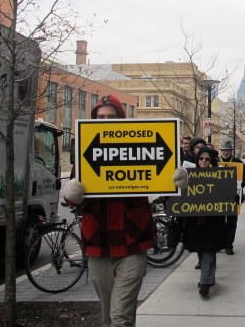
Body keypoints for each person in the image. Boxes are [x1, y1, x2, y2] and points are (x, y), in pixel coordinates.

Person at [63, 94, 155, 327]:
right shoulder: (85, 152)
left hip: (133, 241)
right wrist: (72, 195)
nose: (104, 120)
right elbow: (77, 199)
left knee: (120, 317)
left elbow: (159, 181)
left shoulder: (139, 149)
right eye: (100, 117)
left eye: (110, 116)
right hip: (98, 244)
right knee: (110, 317)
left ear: (121, 119)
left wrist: (176, 182)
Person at [180, 147, 227, 297]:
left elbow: (227, 196)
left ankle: (205, 282)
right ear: (197, 160)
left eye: (207, 159)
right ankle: (208, 277)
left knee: (209, 249)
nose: (204, 161)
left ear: (211, 161)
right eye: (201, 159)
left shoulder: (219, 176)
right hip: (195, 220)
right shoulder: (189, 176)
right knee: (201, 249)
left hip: (213, 221)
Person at [219, 140, 242, 255]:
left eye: (228, 151)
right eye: (223, 150)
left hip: (234, 198)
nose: (226, 153)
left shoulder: (238, 163)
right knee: (219, 222)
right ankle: (220, 243)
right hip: (218, 198)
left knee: (232, 223)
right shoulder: (216, 163)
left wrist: (240, 186)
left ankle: (229, 245)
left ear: (231, 152)